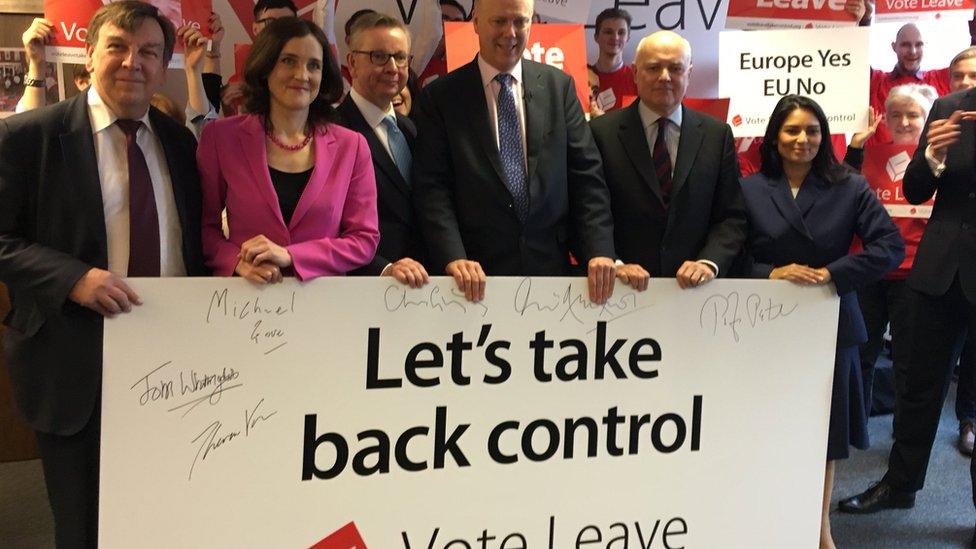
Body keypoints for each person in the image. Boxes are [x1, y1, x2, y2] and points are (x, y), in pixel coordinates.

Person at [0, 3, 208, 546]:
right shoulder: (29, 137)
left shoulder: (180, 143)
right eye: (117, 46)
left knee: (166, 516)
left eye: (149, 51)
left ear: (164, 65)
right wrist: (72, 277)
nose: (132, 62)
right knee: (85, 525)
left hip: (172, 366)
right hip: (74, 364)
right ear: (89, 55)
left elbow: (195, 244)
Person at [740, 95, 903, 549]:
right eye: (792, 130)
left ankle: (819, 528)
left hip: (830, 324)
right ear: (774, 137)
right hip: (763, 325)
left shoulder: (849, 185)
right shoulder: (749, 188)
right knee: (764, 426)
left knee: (825, 434)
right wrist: (770, 274)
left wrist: (832, 274)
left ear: (823, 136)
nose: (802, 139)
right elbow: (732, 254)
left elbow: (889, 246)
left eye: (812, 130)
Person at [412, 0, 647, 303]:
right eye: (499, 21)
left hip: (550, 276)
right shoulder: (440, 98)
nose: (510, 33)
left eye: (520, 22)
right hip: (470, 281)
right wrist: (452, 256)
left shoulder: (559, 88)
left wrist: (600, 252)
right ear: (476, 22)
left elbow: (586, 178)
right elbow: (432, 188)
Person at [838, 49, 976, 539]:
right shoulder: (946, 107)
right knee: (917, 384)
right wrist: (934, 157)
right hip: (937, 272)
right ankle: (900, 485)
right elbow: (916, 189)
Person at [198, 17, 379, 282]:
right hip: (247, 302)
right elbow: (205, 228)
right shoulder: (220, 137)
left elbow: (364, 240)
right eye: (288, 61)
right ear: (265, 67)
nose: (302, 75)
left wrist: (292, 255)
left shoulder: (351, 146)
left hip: (324, 304)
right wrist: (235, 261)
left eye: (313, 65)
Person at [590, 30, 747, 287]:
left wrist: (708, 262)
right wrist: (614, 262)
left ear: (689, 73)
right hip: (622, 291)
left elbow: (732, 216)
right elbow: (591, 211)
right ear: (635, 73)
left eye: (675, 68)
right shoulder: (600, 133)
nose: (664, 77)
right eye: (653, 68)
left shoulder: (717, 135)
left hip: (695, 295)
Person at [843, 84, 935, 430]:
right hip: (869, 271)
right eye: (896, 114)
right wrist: (855, 148)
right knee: (863, 354)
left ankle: (904, 430)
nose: (905, 121)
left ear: (928, 119)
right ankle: (857, 426)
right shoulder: (870, 155)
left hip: (915, 275)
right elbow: (840, 192)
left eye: (914, 114)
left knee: (908, 362)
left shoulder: (936, 162)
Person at [337, 12, 427, 286]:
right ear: (352, 62)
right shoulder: (330, 132)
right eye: (379, 56)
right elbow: (325, 223)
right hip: (364, 290)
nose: (392, 67)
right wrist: (383, 268)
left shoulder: (412, 130)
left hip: (424, 288)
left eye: (400, 57)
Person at [215, 0, 299, 115]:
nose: (280, 30)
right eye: (270, 22)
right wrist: (228, 107)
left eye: (287, 23)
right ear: (255, 29)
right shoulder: (238, 81)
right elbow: (234, 124)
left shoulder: (308, 71)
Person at [588, 8, 637, 114]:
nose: (615, 37)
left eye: (621, 32)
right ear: (596, 37)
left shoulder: (637, 80)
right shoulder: (583, 78)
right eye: (608, 32)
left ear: (628, 38)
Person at [420, 0, 469, 87]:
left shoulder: (468, 68)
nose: (448, 25)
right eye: (443, 18)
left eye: (457, 21)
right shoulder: (414, 61)